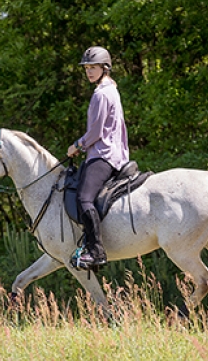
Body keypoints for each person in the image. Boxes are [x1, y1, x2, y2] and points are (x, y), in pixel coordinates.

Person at [67, 46, 129, 270]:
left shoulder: (101, 94)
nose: (89, 72)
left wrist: (76, 146)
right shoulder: (111, 90)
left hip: (103, 155)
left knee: (84, 198)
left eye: (93, 67)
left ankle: (96, 252)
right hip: (114, 153)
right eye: (87, 68)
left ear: (105, 68)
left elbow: (96, 132)